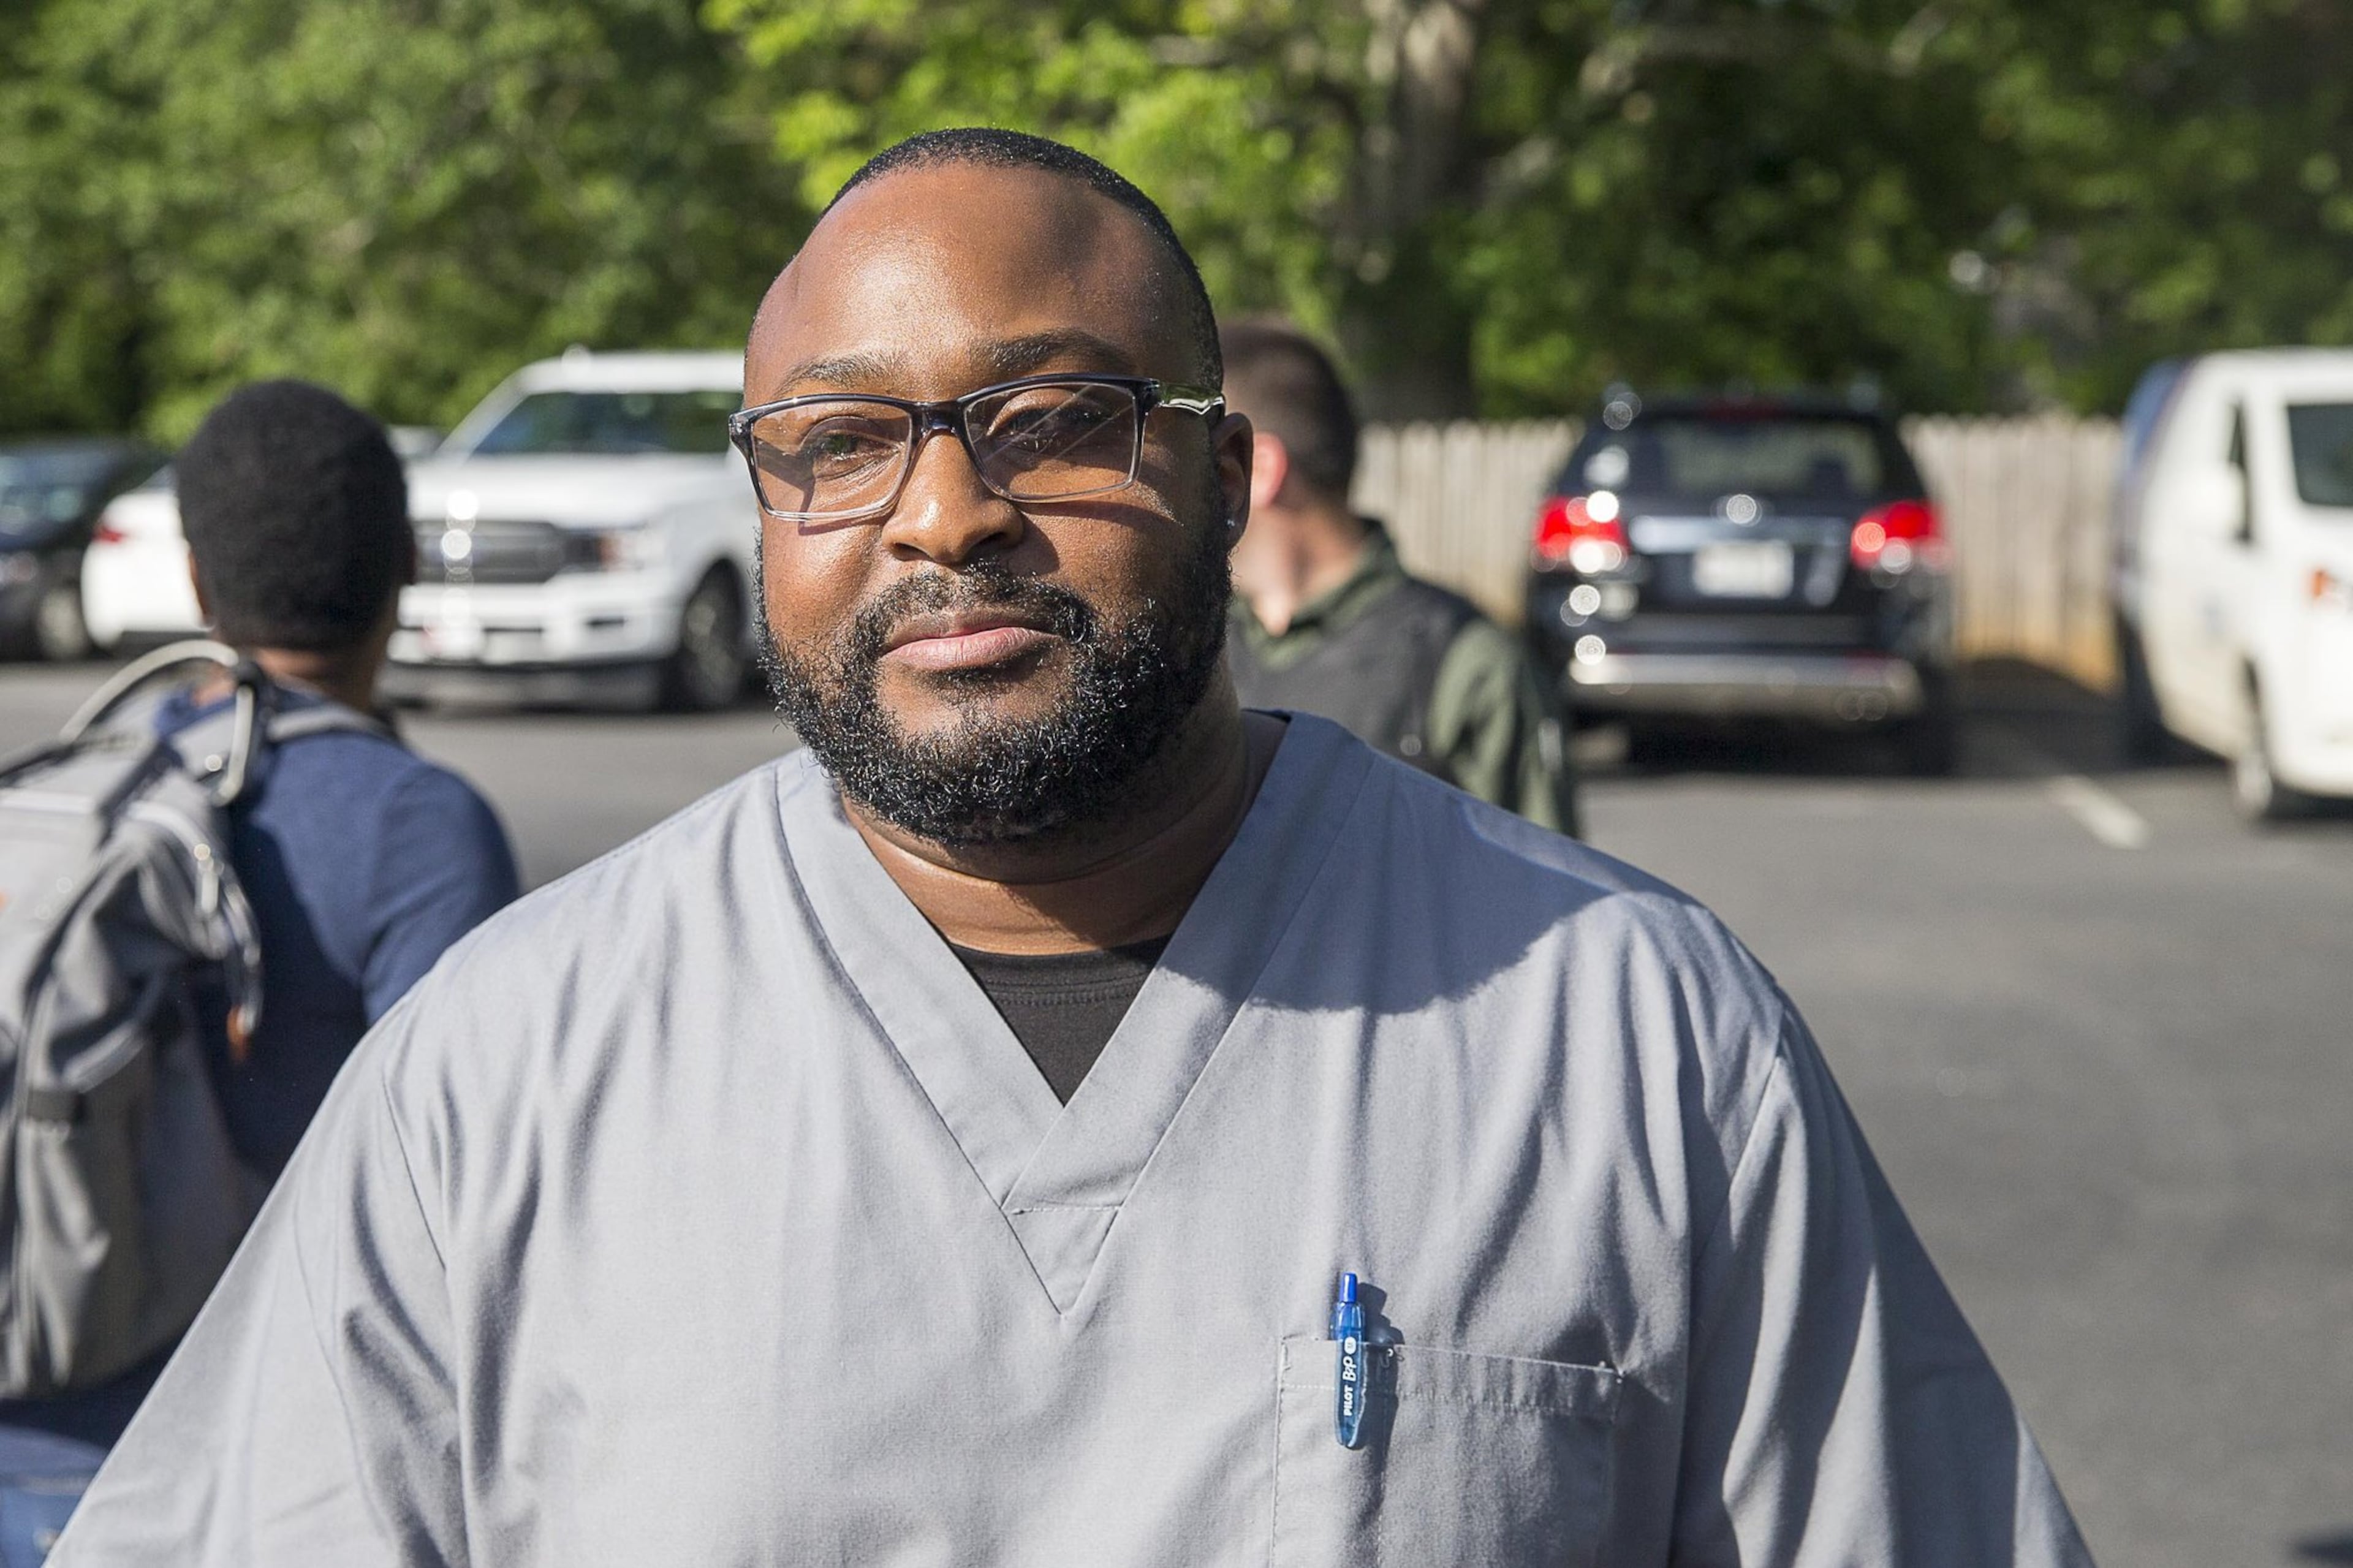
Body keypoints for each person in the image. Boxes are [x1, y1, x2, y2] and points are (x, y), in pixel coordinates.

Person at [51, 132, 2091, 1566]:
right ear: (765, 513)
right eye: (840, 443)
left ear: (1222, 474)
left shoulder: (1631, 1030)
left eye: (1049, 412)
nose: (946, 512)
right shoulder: (503, 1071)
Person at [0, 381, 520, 1449]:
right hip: (234, 1443)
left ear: (197, 577)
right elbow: (469, 1192)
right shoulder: (420, 825)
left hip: (37, 1375)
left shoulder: (105, 765)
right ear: (407, 565)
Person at [1222, 317, 1579, 835]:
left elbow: (1559, 897)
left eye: (1199, 454)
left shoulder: (1468, 664)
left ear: (1259, 471)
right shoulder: (1190, 645)